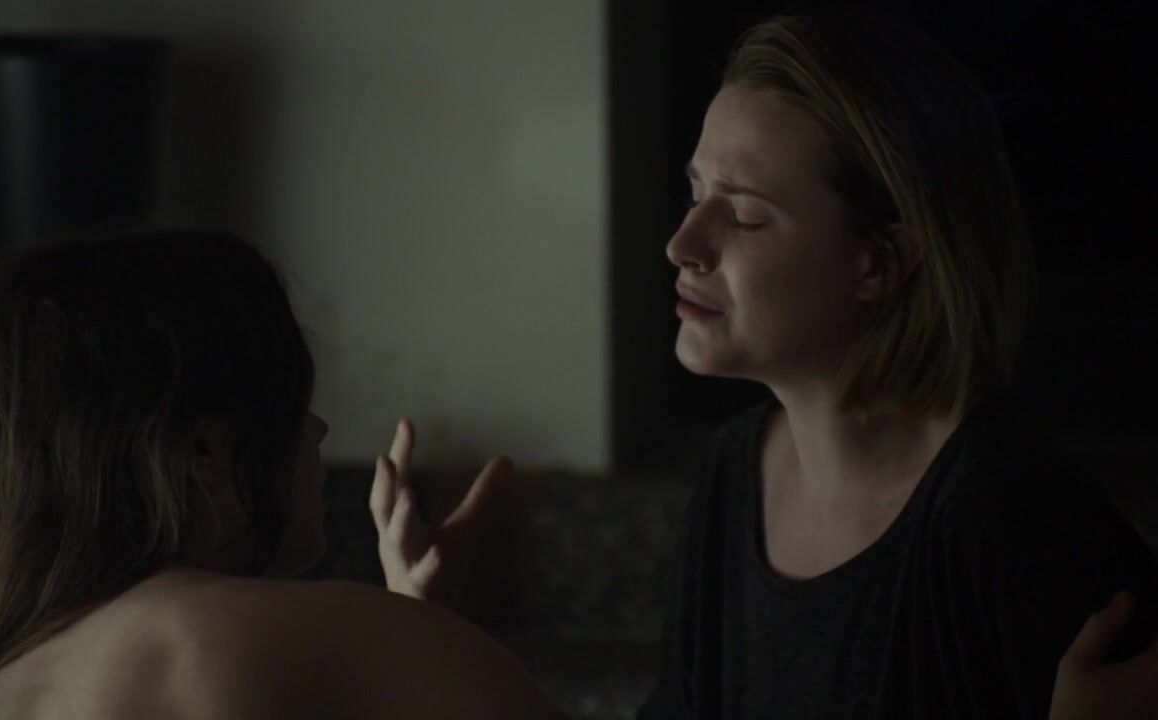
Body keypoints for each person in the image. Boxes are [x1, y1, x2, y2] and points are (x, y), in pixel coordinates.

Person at [373, 7, 1158, 719]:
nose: (682, 245)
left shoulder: (1015, 522)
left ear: (881, 262)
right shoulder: (734, 474)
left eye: (746, 215)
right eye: (696, 195)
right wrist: (434, 639)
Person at [0, 230, 563, 720]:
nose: (317, 429)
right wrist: (416, 643)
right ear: (205, 454)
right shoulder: (320, 642)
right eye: (291, 402)